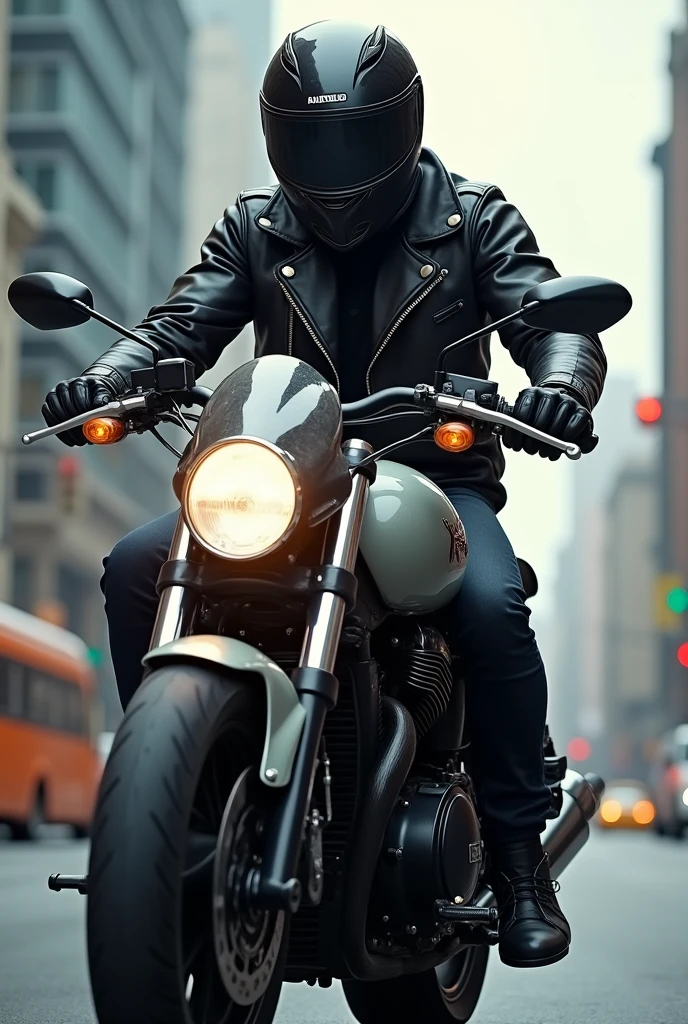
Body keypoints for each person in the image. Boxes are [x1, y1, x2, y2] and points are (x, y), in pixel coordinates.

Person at [42, 21, 605, 969]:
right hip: (284, 477)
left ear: (402, 129)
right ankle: (172, 788)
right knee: (138, 565)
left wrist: (560, 383)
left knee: (494, 608)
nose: (332, 163)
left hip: (434, 479)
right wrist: (110, 377)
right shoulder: (255, 226)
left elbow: (546, 312)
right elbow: (181, 319)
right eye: (310, 139)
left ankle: (516, 863)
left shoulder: (471, 217)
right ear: (277, 136)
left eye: (353, 138)